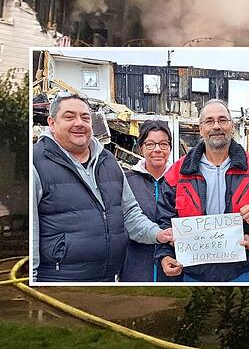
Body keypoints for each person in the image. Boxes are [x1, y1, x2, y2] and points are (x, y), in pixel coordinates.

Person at [32, 92, 173, 282]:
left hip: (106, 280)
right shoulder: (35, 163)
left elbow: (129, 214)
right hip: (59, 281)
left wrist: (157, 234)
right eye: (69, 117)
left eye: (85, 117)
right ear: (51, 122)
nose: (79, 123)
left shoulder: (109, 162)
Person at [155, 99, 249, 282]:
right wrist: (164, 255)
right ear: (200, 129)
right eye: (209, 121)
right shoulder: (178, 172)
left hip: (240, 272)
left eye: (222, 120)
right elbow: (164, 220)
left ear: (231, 126)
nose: (216, 126)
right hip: (193, 274)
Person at [121, 120, 181, 282]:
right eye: (150, 144)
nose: (157, 150)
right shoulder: (126, 181)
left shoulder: (182, 181)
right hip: (135, 269)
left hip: (174, 269)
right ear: (141, 147)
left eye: (163, 144)